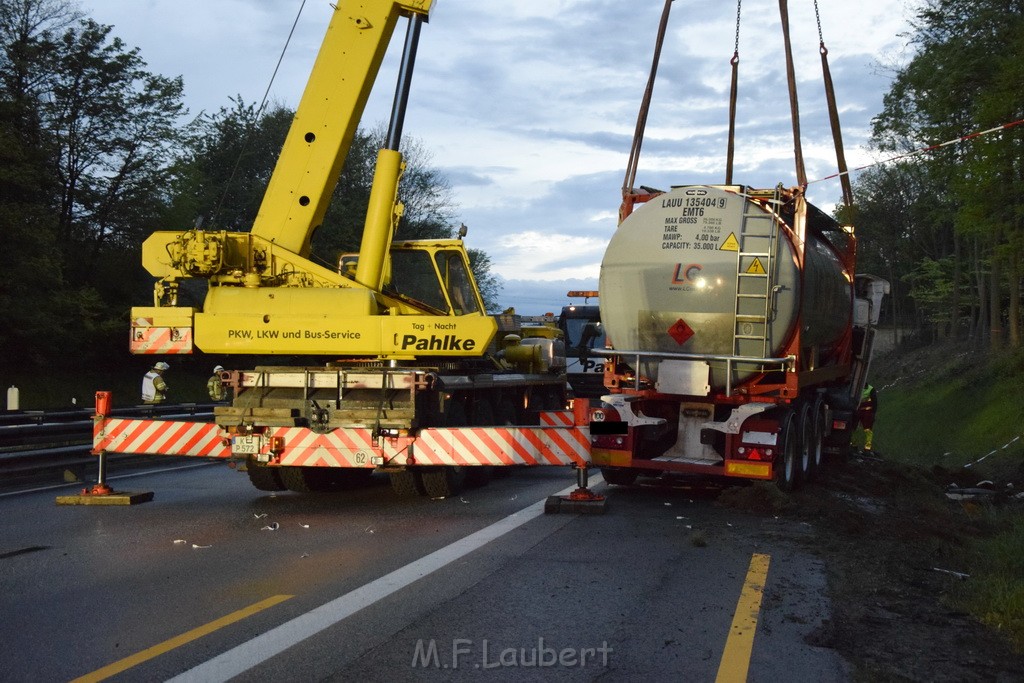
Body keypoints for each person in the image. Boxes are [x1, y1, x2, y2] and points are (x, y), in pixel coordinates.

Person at [856, 383, 878, 451]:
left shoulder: (870, 389)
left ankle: (867, 448)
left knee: (867, 430)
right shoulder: (857, 388)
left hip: (867, 412)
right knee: (854, 429)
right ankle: (853, 445)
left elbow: (875, 403)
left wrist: (873, 413)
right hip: (858, 411)